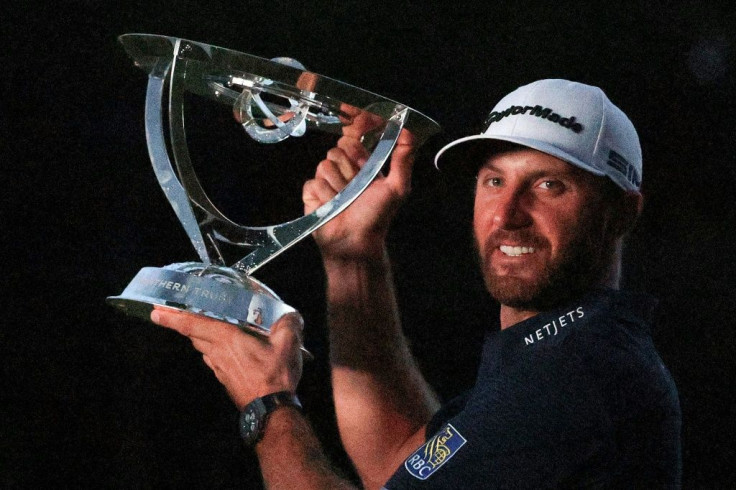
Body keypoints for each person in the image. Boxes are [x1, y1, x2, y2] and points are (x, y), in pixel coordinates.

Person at [151, 79, 681, 488]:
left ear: (621, 213)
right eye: (495, 180)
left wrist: (266, 403)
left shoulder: (580, 375)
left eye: (549, 185)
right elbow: (398, 464)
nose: (509, 214)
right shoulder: (555, 354)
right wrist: (353, 259)